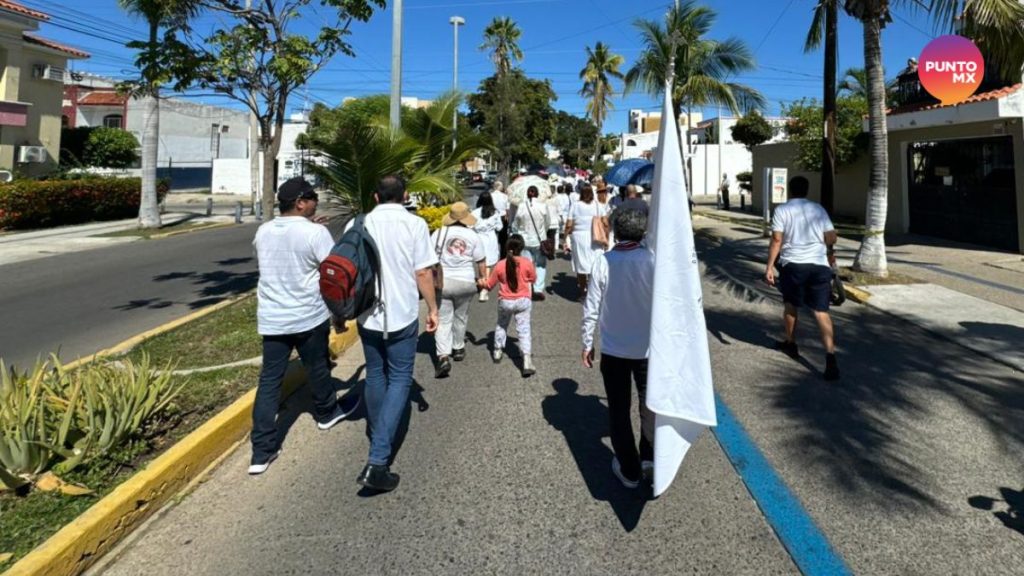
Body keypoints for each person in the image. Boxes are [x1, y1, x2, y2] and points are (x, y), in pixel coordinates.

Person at [250, 177, 360, 476]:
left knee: (269, 381)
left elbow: (277, 256)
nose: (315, 201)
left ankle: (261, 451)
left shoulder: (264, 231)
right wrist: (340, 315)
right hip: (306, 317)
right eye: (311, 197)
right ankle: (327, 412)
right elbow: (334, 275)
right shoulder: (316, 233)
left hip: (273, 319)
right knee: (318, 368)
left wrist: (311, 226)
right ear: (300, 203)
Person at [351, 175, 440, 491]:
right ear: (404, 196)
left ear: (375, 197)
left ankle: (379, 431)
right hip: (401, 313)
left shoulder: (359, 223)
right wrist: (432, 308)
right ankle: (378, 460)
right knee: (400, 377)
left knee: (376, 375)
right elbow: (423, 272)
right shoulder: (414, 225)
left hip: (367, 315)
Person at [580, 204, 655, 489]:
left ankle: (629, 468)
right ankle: (648, 457)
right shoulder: (652, 260)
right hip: (649, 350)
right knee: (650, 406)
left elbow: (591, 307)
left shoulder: (603, 261)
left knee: (618, 410)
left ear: (615, 229)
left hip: (613, 350)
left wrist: (587, 342)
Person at [764, 176, 840, 381]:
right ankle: (830, 357)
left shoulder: (782, 210)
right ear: (807, 190)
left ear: (790, 190)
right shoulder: (818, 209)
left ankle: (791, 343)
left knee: (791, 305)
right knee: (821, 312)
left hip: (794, 266)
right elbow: (831, 237)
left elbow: (777, 239)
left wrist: (769, 266)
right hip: (819, 266)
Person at [431, 202, 487, 378]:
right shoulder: (472, 235)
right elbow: (481, 261)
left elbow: (428, 257)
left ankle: (443, 355)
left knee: (443, 319)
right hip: (466, 282)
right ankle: (458, 348)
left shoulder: (438, 233)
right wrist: (482, 279)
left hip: (444, 282)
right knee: (461, 316)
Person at [479, 234, 537, 377]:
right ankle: (527, 359)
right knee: (523, 329)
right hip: (523, 300)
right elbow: (533, 278)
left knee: (502, 324)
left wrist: (481, 283)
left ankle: (498, 351)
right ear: (522, 248)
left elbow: (490, 284)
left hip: (505, 301)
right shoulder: (527, 262)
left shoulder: (500, 264)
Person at [511, 185, 558, 301]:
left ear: (527, 194)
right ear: (537, 194)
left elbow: (516, 223)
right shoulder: (543, 206)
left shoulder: (522, 206)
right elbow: (548, 222)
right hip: (539, 239)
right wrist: (543, 232)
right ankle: (538, 289)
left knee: (525, 265)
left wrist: (516, 232)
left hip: (524, 240)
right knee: (540, 265)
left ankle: (526, 287)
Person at [564, 184, 606, 301]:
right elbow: (606, 222)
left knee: (581, 264)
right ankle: (594, 291)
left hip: (579, 237)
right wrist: (605, 237)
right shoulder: (598, 206)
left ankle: (583, 292)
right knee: (595, 264)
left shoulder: (575, 205)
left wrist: (565, 237)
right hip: (595, 237)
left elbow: (569, 225)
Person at [473, 192, 503, 302]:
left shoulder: (475, 213)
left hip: (479, 238)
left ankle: (482, 281)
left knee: (481, 262)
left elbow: (470, 226)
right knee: (489, 264)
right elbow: (499, 227)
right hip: (491, 238)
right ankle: (484, 288)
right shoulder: (495, 212)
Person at [491, 180, 510, 251]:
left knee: (493, 236)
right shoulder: (505, 196)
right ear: (501, 188)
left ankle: (494, 250)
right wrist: (507, 216)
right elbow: (507, 208)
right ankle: (503, 254)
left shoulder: (490, 195)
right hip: (503, 217)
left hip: (493, 217)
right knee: (503, 238)